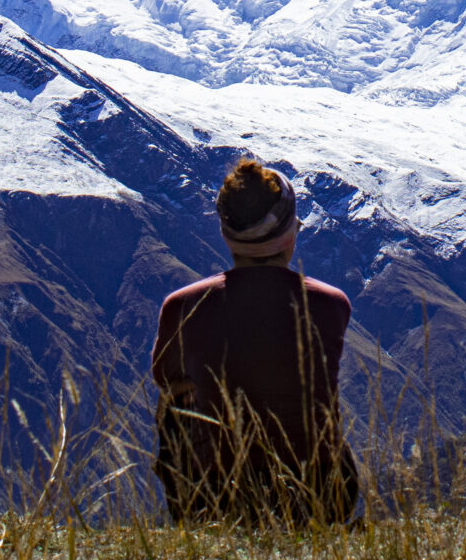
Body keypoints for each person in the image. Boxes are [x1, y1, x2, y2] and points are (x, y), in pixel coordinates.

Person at [151, 160, 360, 524]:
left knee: (177, 405)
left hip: (215, 500)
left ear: (225, 231)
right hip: (320, 496)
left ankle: (193, 516)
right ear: (290, 234)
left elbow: (167, 378)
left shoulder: (182, 306)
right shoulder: (332, 304)